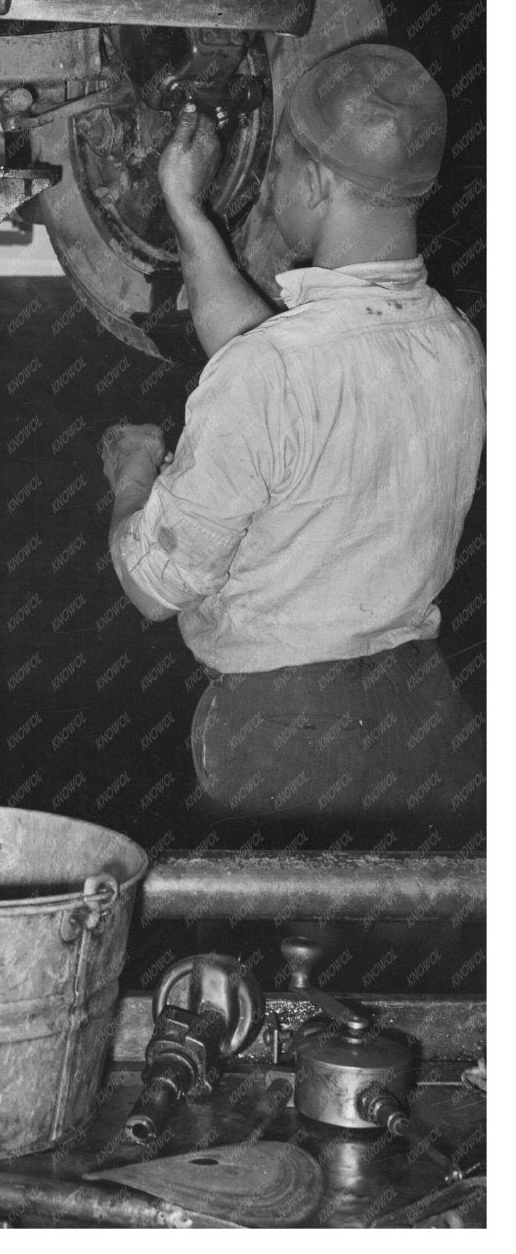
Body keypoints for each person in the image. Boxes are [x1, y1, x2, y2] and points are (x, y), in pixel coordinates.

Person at [99, 43, 485, 837]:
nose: (267, 181)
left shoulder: (272, 373)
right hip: (424, 716)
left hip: (290, 737)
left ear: (313, 182)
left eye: (274, 163)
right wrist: (185, 206)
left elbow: (150, 584)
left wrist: (132, 476)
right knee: (392, 940)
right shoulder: (454, 343)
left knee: (275, 941)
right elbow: (267, 354)